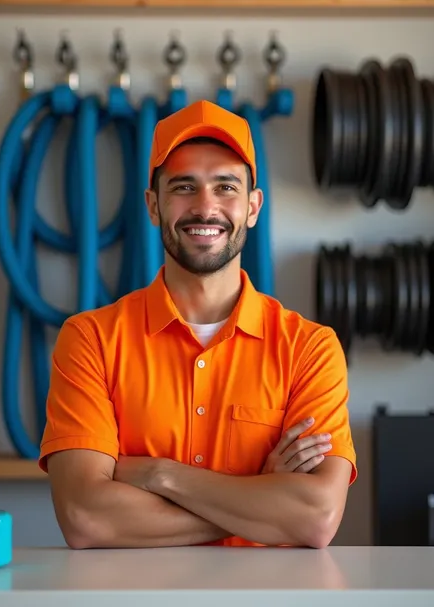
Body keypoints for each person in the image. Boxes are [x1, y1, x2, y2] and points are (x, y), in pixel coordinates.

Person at [39, 99, 357, 550]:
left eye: (226, 186)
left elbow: (315, 518)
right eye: (184, 187)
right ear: (153, 206)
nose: (205, 207)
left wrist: (157, 474)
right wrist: (258, 495)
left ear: (252, 206)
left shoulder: (310, 349)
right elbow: (86, 518)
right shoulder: (91, 340)